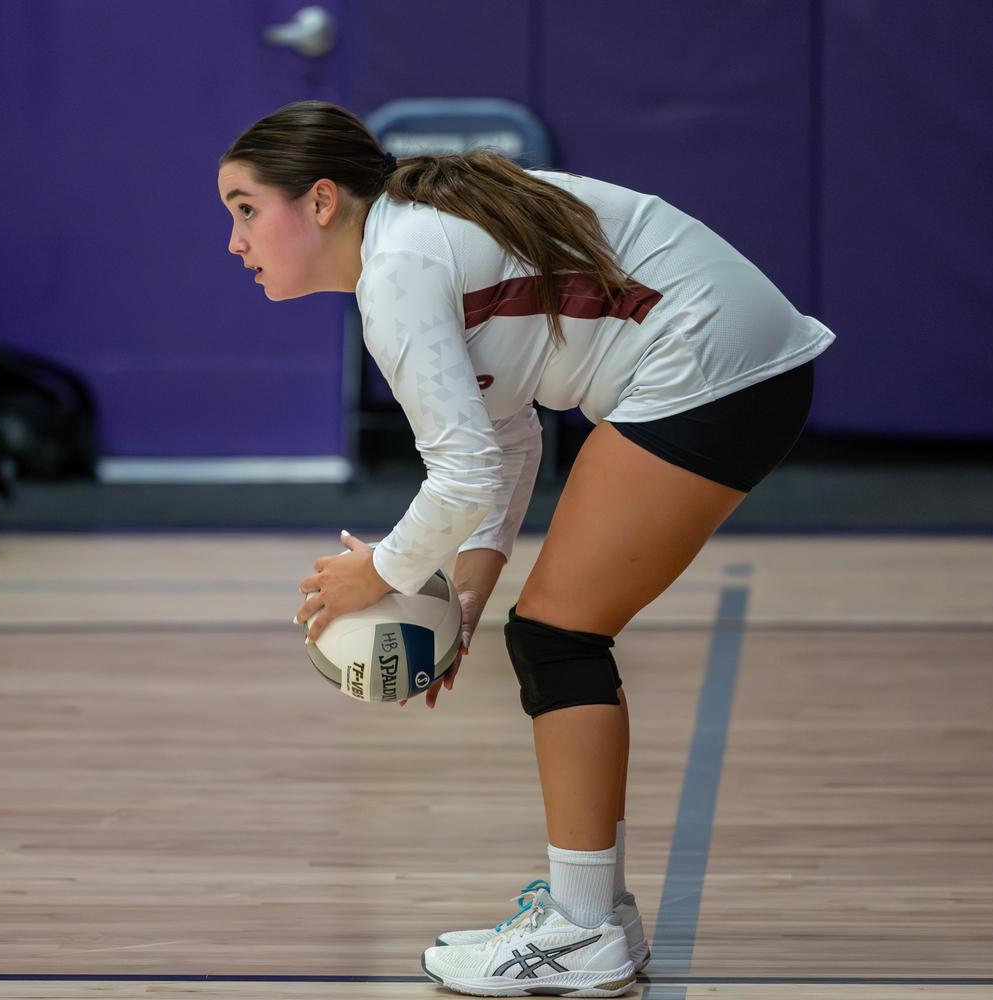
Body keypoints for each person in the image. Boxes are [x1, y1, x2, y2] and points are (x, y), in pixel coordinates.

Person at [218, 102, 832, 998]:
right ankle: (594, 916)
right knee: (546, 631)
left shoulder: (397, 270)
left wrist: (378, 572)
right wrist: (464, 593)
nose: (233, 241)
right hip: (734, 358)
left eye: (243, 209)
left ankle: (583, 933)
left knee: (558, 636)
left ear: (319, 201)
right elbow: (504, 441)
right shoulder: (409, 244)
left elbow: (465, 473)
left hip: (710, 366)